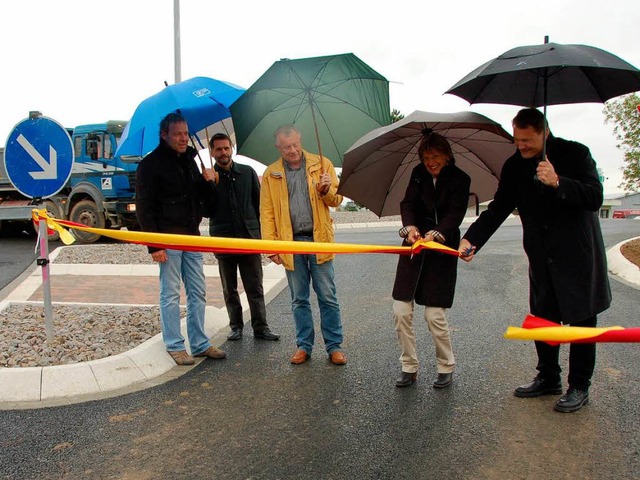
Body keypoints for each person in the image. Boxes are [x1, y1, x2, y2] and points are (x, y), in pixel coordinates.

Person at [458, 108, 611, 413]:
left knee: (581, 322)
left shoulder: (575, 154)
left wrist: (558, 182)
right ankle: (548, 377)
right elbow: (499, 207)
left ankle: (579, 385)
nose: (521, 146)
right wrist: (472, 238)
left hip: (578, 256)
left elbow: (595, 196)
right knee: (544, 319)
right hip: (542, 257)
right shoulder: (514, 166)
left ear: (544, 132)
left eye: (527, 140)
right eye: (516, 140)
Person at [135, 112, 226, 365]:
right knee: (171, 293)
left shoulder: (190, 161)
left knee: (198, 292)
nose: (183, 138)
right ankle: (174, 344)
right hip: (168, 239)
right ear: (164, 135)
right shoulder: (150, 165)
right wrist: (155, 245)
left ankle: (199, 343)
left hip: (192, 238)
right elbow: (144, 207)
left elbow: (208, 206)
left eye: (186, 133)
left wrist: (210, 182)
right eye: (178, 134)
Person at [260, 124, 346, 365]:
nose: (293, 150)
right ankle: (304, 346)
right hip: (291, 243)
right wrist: (271, 246)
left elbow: (337, 199)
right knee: (299, 299)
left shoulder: (323, 164)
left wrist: (326, 191)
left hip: (320, 241)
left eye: (296, 144)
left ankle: (334, 346)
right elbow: (266, 212)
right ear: (278, 147)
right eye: (286, 147)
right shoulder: (271, 173)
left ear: (301, 140)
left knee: (328, 297)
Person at [392, 133, 471, 389]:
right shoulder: (417, 173)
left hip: (442, 247)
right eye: (426, 157)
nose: (430, 162)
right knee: (401, 311)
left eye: (435, 157)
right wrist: (410, 227)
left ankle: (445, 365)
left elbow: (456, 212)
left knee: (434, 315)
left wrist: (438, 233)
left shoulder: (461, 179)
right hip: (414, 247)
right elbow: (407, 203)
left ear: (446, 155)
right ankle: (409, 366)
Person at [203, 133, 279, 342]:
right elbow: (206, 211)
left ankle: (261, 327)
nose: (223, 152)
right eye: (218, 149)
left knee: (254, 286)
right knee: (230, 288)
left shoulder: (247, 172)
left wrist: (263, 236)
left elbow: (260, 206)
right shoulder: (208, 177)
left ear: (231, 149)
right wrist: (210, 185)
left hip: (249, 238)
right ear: (212, 152)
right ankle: (235, 326)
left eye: (226, 148)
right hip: (223, 240)